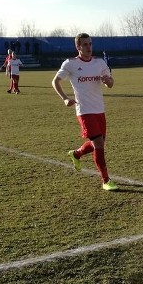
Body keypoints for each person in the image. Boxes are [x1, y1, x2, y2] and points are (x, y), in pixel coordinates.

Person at [52, 32, 118, 191]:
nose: (89, 47)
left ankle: (76, 154)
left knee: (98, 144)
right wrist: (65, 98)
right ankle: (106, 180)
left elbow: (110, 83)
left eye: (90, 44)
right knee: (99, 145)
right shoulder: (70, 64)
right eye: (85, 44)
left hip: (99, 110)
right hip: (84, 111)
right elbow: (56, 81)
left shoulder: (100, 63)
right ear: (78, 47)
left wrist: (108, 80)